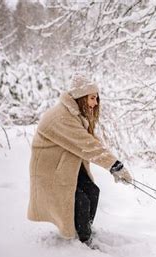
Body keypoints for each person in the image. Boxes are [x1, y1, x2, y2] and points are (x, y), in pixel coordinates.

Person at [27, 74, 133, 247]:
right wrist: (114, 165)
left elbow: (91, 141)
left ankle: (84, 230)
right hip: (50, 173)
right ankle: (83, 241)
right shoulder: (61, 117)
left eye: (97, 98)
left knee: (92, 192)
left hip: (65, 167)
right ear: (81, 97)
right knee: (81, 200)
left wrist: (115, 165)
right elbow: (88, 145)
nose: (96, 103)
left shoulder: (74, 114)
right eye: (92, 98)